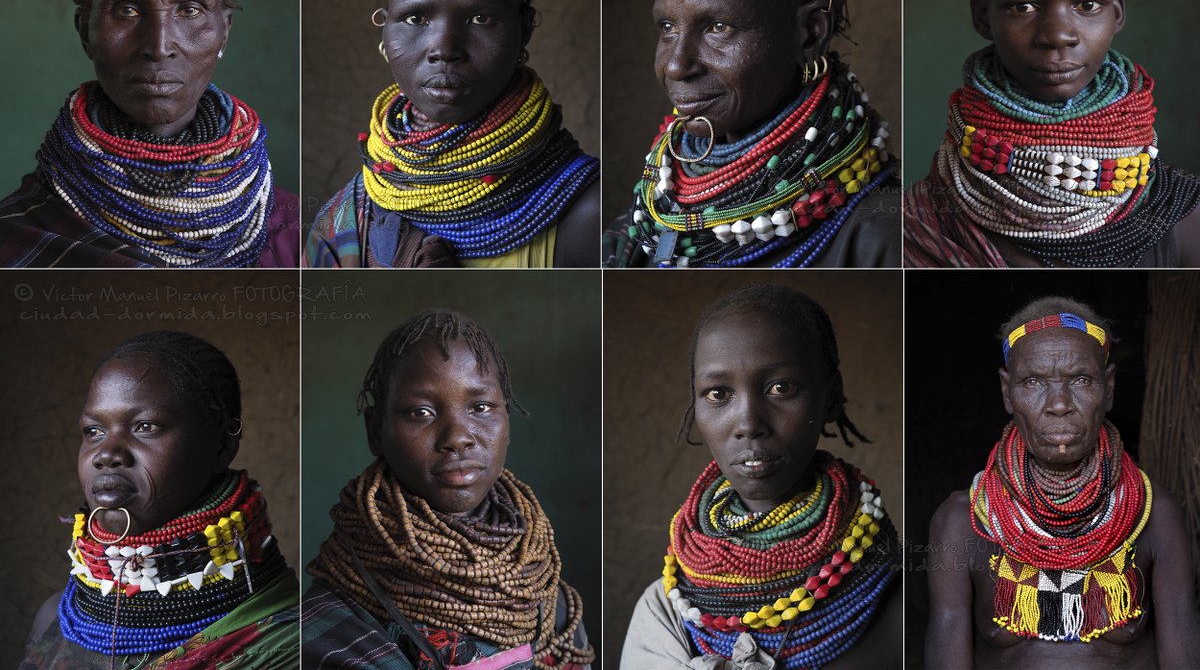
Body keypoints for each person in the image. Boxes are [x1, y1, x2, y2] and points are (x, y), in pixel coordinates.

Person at [602, 0, 900, 268]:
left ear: (810, 32)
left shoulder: (881, 234)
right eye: (667, 26)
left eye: (719, 27)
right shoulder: (649, 217)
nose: (676, 66)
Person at [0, 0, 300, 268]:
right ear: (85, 30)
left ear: (225, 32)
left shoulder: (295, 233)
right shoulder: (16, 235)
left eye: (189, 10)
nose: (158, 47)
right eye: (127, 10)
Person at [904, 0, 1200, 267]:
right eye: (1023, 6)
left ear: (1117, 12)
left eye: (1088, 5)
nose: (1058, 34)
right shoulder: (917, 225)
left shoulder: (1184, 219)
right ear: (982, 14)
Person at [305, 0, 600, 268]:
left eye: (480, 18)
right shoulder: (343, 221)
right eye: (415, 18)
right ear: (385, 27)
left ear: (523, 29)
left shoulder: (586, 212)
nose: (444, 48)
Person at [621, 285, 901, 668]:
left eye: (780, 388)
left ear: (831, 397)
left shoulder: (896, 593)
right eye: (718, 394)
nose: (749, 423)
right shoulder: (666, 611)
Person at [302, 310, 594, 668]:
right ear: (375, 430)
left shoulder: (542, 589)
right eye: (421, 412)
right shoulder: (334, 630)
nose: (457, 437)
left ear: (508, 421)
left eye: (481, 407)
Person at [925, 297, 1200, 668]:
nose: (1058, 404)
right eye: (1034, 381)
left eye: (1081, 380)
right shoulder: (964, 522)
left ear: (1109, 387)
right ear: (1008, 392)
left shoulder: (1153, 515)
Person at [20, 331, 299, 668]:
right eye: (94, 431)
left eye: (145, 426)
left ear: (222, 445)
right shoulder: (58, 619)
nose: (106, 454)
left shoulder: (290, 646)